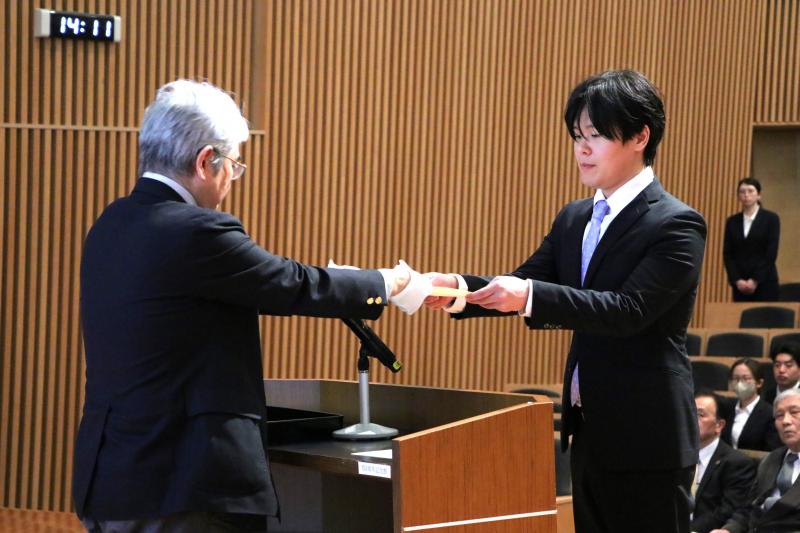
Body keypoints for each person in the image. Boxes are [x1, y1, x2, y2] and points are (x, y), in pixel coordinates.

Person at [73, 80, 427, 532]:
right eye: (233, 166)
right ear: (206, 160)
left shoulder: (111, 224)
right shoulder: (195, 232)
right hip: (183, 485)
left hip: (115, 476)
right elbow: (291, 283)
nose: (230, 181)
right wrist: (389, 282)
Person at [425, 70, 707, 533]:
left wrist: (529, 296)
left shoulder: (676, 223)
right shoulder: (574, 217)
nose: (581, 149)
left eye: (596, 135)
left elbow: (628, 311)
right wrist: (454, 289)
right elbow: (524, 282)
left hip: (649, 439)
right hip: (589, 432)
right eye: (577, 136)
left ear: (640, 136)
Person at [711, 388, 800, 533]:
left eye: (794, 412)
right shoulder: (770, 460)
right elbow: (748, 509)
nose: (785, 421)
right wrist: (728, 530)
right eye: (779, 415)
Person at [691, 391, 756, 533]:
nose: (691, 419)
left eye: (700, 414)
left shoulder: (737, 463)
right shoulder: (677, 457)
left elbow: (726, 511)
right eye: (689, 413)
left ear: (719, 425)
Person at [723, 177, 780, 302]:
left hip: (765, 282)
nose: (746, 195)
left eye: (750, 191)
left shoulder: (771, 219)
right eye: (742, 191)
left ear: (759, 195)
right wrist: (737, 280)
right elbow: (728, 254)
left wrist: (755, 280)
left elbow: (771, 253)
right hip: (740, 285)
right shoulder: (732, 221)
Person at [722, 358, 781, 452]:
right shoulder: (727, 409)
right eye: (736, 378)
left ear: (759, 383)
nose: (740, 383)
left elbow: (771, 451)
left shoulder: (769, 413)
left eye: (745, 378)